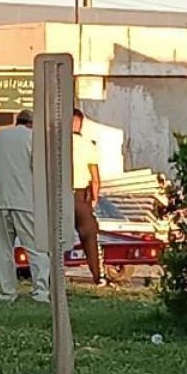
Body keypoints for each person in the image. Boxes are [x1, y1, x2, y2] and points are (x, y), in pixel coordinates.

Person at [0, 110, 49, 302]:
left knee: (2, 249)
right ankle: (41, 291)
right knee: (35, 247)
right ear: (32, 124)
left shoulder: (1, 136)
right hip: (24, 200)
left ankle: (8, 292)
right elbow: (37, 167)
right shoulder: (34, 138)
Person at [72, 108, 107, 286]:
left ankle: (49, 277)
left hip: (58, 194)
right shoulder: (87, 144)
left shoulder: (55, 143)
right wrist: (93, 199)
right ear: (80, 123)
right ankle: (97, 276)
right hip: (80, 196)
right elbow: (95, 177)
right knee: (89, 235)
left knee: (56, 236)